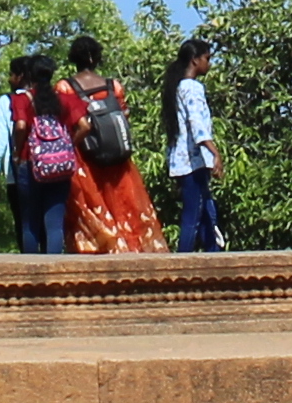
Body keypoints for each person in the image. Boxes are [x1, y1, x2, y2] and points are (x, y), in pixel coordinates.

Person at [67, 33, 159, 255]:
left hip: (85, 157)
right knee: (124, 204)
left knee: (92, 205)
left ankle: (101, 249)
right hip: (117, 155)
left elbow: (67, 122)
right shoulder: (113, 86)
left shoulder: (66, 87)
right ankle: (129, 248)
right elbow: (124, 116)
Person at [8, 50, 80, 257]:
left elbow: (21, 126)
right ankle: (53, 273)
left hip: (30, 162)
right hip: (60, 166)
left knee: (30, 220)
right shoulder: (65, 100)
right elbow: (84, 126)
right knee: (55, 222)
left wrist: (17, 151)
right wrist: (68, 147)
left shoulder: (22, 100)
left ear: (29, 75)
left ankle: (31, 273)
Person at [163, 35, 222, 251]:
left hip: (182, 162)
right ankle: (182, 262)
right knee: (193, 215)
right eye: (207, 58)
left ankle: (213, 255)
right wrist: (214, 152)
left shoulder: (178, 87)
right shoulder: (191, 87)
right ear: (195, 60)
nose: (209, 63)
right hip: (193, 163)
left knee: (208, 212)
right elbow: (196, 122)